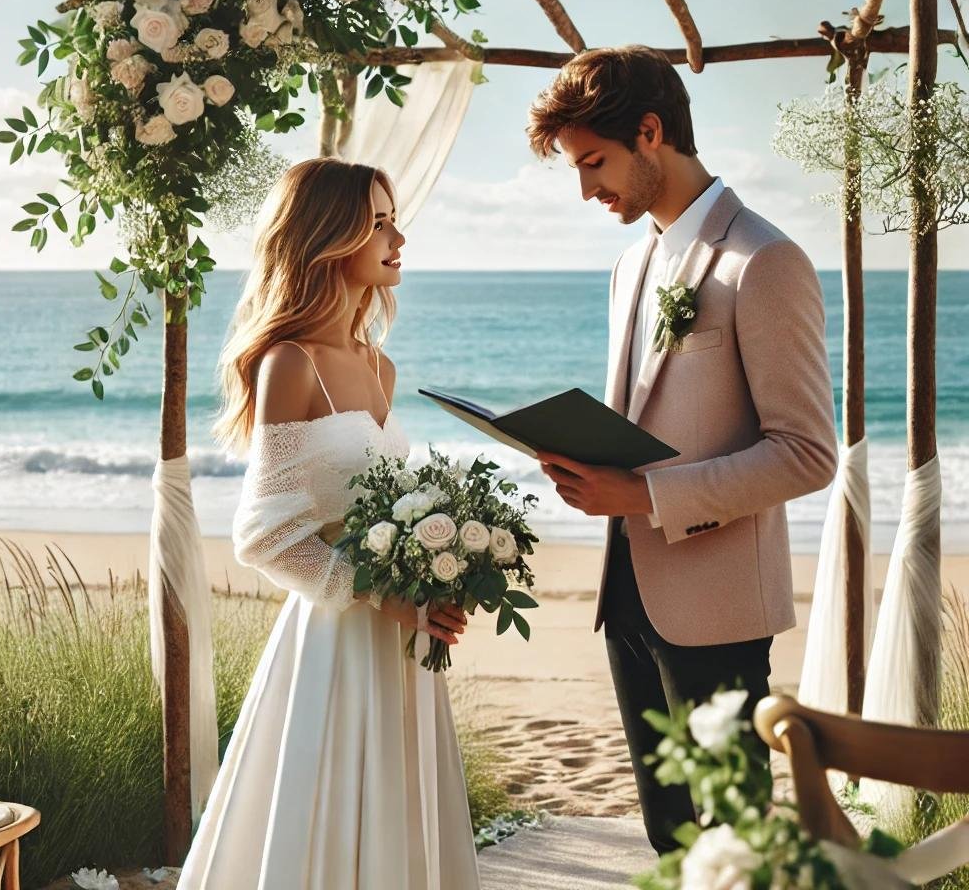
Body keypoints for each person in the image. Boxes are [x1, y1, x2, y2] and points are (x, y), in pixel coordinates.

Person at [526, 45, 838, 854]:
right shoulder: (632, 263)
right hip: (626, 591)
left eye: (593, 162)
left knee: (734, 845)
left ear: (652, 132)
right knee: (671, 841)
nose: (587, 187)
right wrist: (578, 457)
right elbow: (655, 420)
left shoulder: (764, 261)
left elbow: (807, 454)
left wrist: (642, 497)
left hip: (718, 607)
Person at [181, 158, 480, 889]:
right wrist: (386, 596)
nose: (397, 236)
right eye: (378, 222)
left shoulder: (379, 367)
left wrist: (446, 572)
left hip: (404, 643)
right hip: (339, 633)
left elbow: (386, 508)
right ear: (328, 235)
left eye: (393, 218)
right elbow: (263, 534)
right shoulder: (290, 363)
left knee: (400, 820)